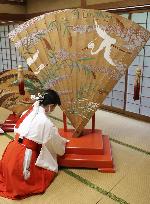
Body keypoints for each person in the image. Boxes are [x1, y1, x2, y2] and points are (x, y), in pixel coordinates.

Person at [0, 89, 68, 200]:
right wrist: (63, 144)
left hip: (11, 149)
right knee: (45, 175)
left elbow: (18, 129)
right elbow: (58, 148)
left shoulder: (28, 111)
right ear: (50, 106)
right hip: (24, 156)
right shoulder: (46, 123)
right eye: (54, 107)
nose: (53, 109)